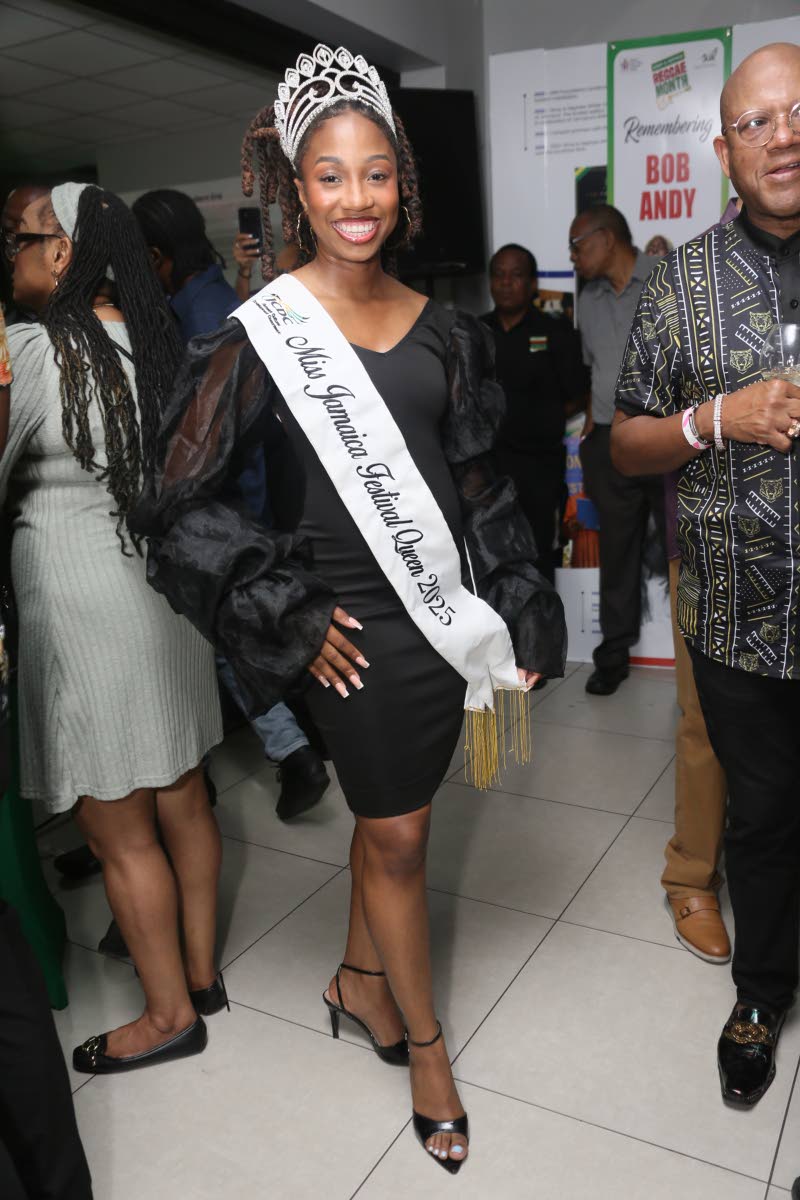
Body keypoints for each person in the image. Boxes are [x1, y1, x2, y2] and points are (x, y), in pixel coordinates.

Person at [131, 43, 567, 1172]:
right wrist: (281, 604)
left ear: (399, 181)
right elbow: (173, 497)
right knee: (404, 841)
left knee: (391, 829)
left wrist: (514, 605)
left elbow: (472, 485)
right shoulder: (263, 331)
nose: (355, 200)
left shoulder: (444, 327)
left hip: (440, 622)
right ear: (296, 186)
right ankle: (425, 1048)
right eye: (329, 177)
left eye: (374, 174)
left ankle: (359, 980)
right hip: (350, 636)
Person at [611, 41, 800, 1107]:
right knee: (763, 820)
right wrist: (713, 418)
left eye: (792, 114)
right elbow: (624, 443)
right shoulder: (676, 278)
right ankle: (760, 994)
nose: (779, 136)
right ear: (724, 150)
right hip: (735, 620)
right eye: (754, 122)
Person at [3, 182, 226, 1075]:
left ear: (60, 253)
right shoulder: (165, 344)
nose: (10, 257)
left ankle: (168, 1015)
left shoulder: (37, 353)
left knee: (116, 829)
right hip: (172, 599)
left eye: (18, 239)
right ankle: (200, 974)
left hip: (89, 611)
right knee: (183, 793)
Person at [132, 188, 330, 820]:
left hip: (228, 505)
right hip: (249, 498)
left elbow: (214, 437)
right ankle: (297, 746)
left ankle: (294, 752)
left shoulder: (201, 317)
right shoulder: (215, 298)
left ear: (159, 255)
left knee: (225, 633)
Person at [570, 204, 664, 695]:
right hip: (609, 440)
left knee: (684, 552)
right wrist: (590, 428)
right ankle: (614, 653)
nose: (573, 256)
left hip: (667, 436)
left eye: (578, 244)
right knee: (618, 550)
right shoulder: (587, 299)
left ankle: (699, 657)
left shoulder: (667, 278)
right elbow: (595, 370)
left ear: (606, 239)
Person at [482, 243, 588, 584]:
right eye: (498, 275)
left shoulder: (556, 331)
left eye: (516, 275)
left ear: (531, 284)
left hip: (540, 467)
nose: (506, 283)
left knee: (539, 554)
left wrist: (545, 419)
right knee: (490, 557)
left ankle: (541, 633)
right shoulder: (474, 331)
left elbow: (577, 394)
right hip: (487, 467)